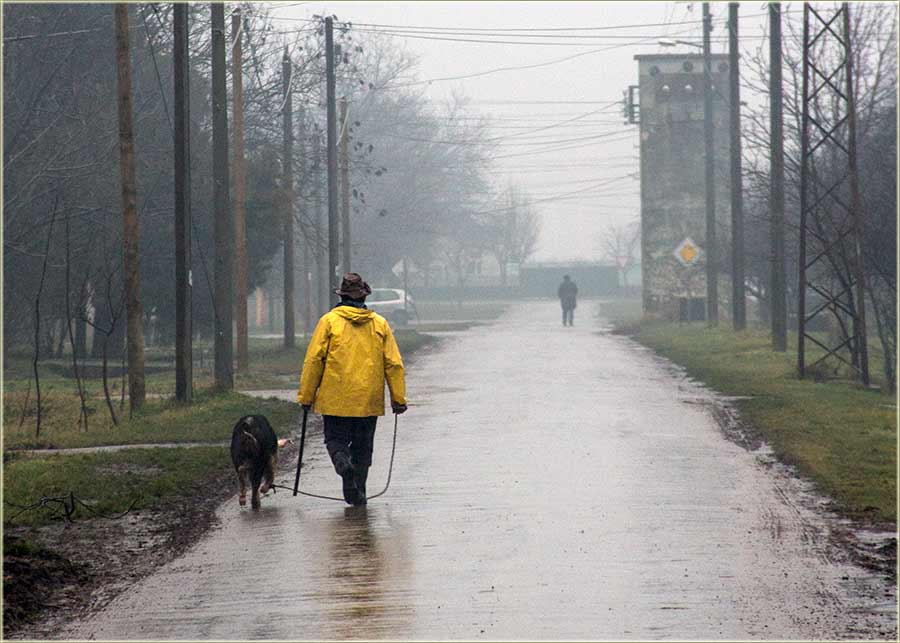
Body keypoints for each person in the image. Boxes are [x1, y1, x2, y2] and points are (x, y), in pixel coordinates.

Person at [298, 272, 407, 506]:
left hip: (335, 398)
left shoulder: (329, 321)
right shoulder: (379, 324)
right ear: (363, 297)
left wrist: (306, 396)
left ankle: (342, 464)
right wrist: (398, 398)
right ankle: (359, 493)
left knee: (335, 440)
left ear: (342, 296)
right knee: (363, 448)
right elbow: (393, 363)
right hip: (368, 400)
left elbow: (314, 360)